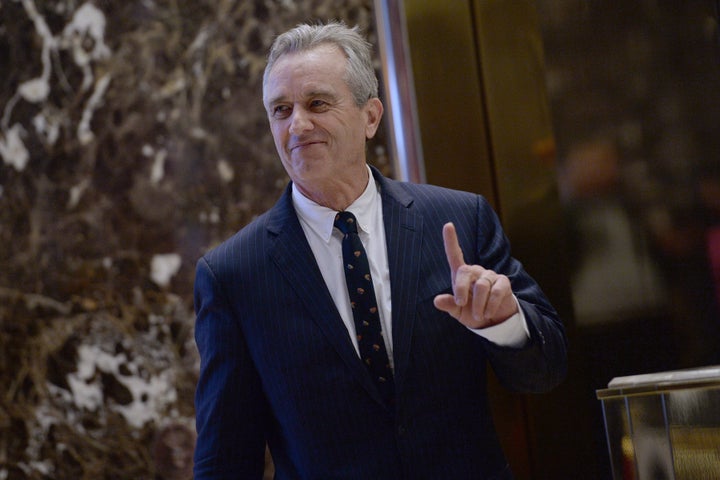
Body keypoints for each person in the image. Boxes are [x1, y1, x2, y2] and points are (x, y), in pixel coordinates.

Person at [193, 21, 567, 479]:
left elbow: (546, 371)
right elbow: (225, 458)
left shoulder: (458, 220)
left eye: (317, 104)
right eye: (281, 109)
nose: (298, 125)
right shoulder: (233, 274)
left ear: (370, 116)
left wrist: (505, 323)